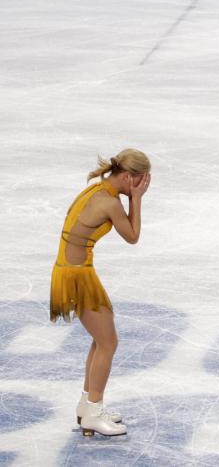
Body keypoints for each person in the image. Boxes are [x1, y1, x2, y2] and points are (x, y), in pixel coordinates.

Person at [50, 149, 151, 437]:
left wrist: (131, 196)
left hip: (73, 271)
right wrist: (137, 200)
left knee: (102, 339)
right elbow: (132, 237)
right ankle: (93, 411)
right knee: (108, 342)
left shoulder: (97, 189)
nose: (144, 185)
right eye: (142, 181)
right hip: (76, 275)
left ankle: (87, 405)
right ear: (131, 177)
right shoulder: (109, 202)